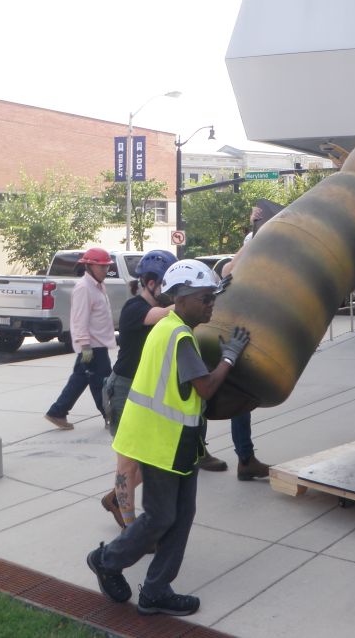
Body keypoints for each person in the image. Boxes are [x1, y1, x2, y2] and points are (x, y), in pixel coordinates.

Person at [86, 259, 251, 617]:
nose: (211, 305)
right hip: (160, 443)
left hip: (177, 443)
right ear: (183, 298)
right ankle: (107, 561)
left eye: (212, 298)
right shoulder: (178, 336)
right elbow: (205, 388)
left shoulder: (173, 328)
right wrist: (230, 356)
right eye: (205, 298)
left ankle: (157, 589)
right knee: (161, 517)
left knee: (182, 514)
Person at [100, 250, 176, 529]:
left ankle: (115, 499)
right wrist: (190, 298)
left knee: (152, 460)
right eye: (169, 286)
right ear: (151, 282)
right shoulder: (135, 308)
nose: (172, 294)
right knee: (128, 463)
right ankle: (132, 529)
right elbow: (161, 314)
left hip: (146, 391)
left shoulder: (162, 311)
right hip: (123, 390)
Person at [216, 203, 275, 481]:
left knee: (240, 398)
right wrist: (254, 234)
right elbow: (229, 268)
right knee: (206, 395)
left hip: (241, 335)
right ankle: (240, 457)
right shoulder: (241, 263)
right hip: (226, 333)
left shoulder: (269, 264)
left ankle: (245, 458)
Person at [45, 247, 116, 430]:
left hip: (97, 345)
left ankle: (57, 412)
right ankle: (111, 417)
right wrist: (85, 346)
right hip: (92, 346)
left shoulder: (96, 286)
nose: (105, 271)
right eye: (102, 267)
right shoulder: (84, 288)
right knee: (102, 383)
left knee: (81, 379)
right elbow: (79, 320)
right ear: (89, 266)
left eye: (107, 267)